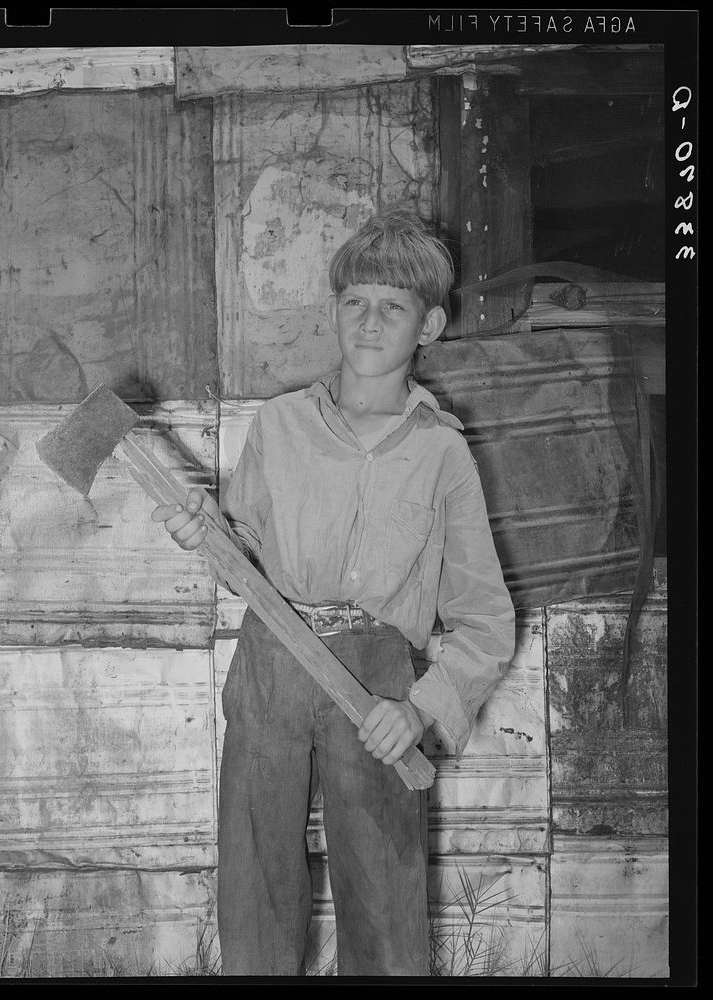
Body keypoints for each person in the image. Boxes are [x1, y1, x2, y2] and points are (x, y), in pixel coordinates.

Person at [151, 210, 516, 976]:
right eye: (355, 301)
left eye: (394, 306)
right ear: (333, 311)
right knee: (254, 880)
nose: (370, 319)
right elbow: (242, 554)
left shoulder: (442, 453)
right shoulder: (281, 426)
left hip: (378, 681)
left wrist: (419, 707)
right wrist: (202, 535)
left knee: (384, 887)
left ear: (431, 323)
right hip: (271, 660)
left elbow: (484, 620)